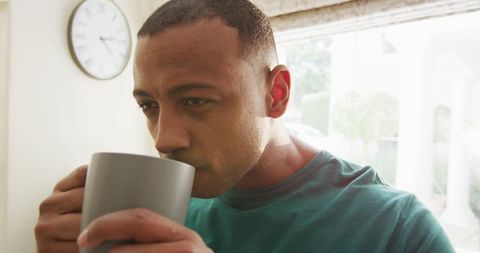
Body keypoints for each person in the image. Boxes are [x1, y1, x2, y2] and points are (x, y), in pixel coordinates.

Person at [35, 0, 455, 252]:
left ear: (277, 94)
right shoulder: (156, 207)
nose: (164, 139)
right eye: (149, 105)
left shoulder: (395, 229)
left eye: (196, 101)